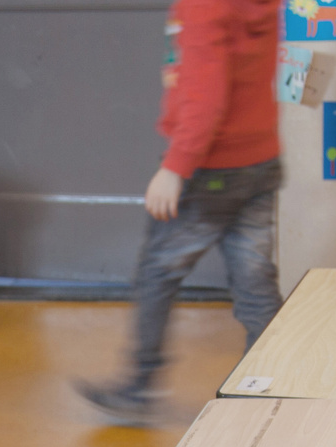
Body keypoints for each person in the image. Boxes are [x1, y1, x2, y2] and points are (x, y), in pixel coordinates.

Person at [77, 0, 283, 425]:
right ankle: (268, 383)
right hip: (261, 161)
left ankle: (138, 386)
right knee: (254, 279)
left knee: (158, 270)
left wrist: (175, 167)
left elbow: (207, 94)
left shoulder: (203, 4)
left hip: (211, 169)